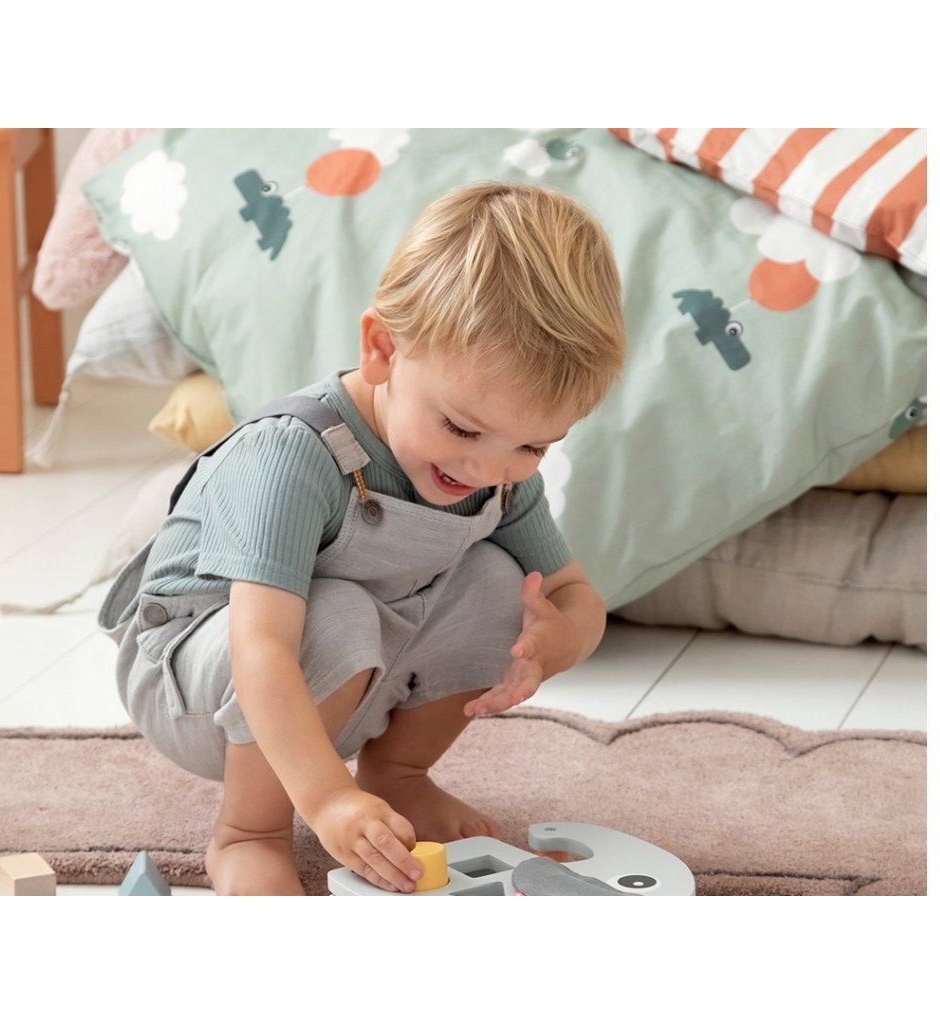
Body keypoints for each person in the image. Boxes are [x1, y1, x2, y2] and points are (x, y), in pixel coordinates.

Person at [98, 181, 626, 895]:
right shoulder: (293, 453)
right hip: (200, 682)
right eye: (461, 428)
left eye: (532, 446)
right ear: (382, 349)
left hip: (348, 677)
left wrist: (560, 640)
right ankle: (248, 831)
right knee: (338, 611)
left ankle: (398, 775)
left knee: (504, 584)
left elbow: (573, 594)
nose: (486, 470)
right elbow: (263, 646)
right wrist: (326, 800)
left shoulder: (497, 473)